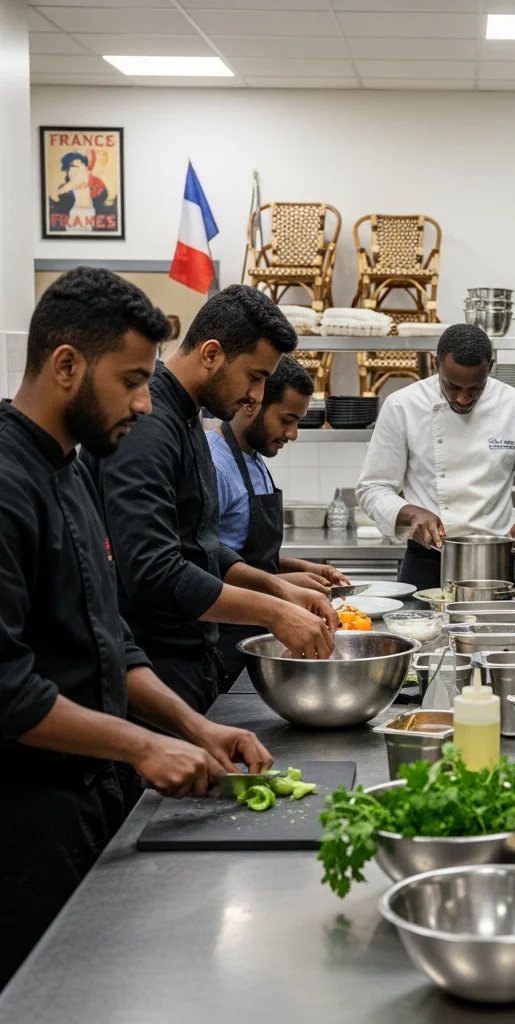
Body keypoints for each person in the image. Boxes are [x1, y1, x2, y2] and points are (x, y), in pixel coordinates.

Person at [0, 268, 272, 988]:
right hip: (24, 817)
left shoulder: (72, 470)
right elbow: (8, 690)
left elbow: (108, 638)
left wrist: (192, 726)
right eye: (129, 380)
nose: (145, 402)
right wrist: (142, 744)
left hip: (88, 796)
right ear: (66, 366)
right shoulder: (6, 484)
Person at [86, 286, 338, 715]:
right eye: (255, 376)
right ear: (211, 354)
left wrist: (275, 587)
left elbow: (200, 542)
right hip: (151, 670)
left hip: (188, 661)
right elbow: (155, 570)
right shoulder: (148, 427)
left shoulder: (190, 419)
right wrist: (274, 613)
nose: (257, 396)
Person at [356, 324, 515, 590]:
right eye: (452, 386)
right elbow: (373, 487)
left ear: (491, 367)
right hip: (427, 558)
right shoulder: (402, 406)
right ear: (435, 364)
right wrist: (413, 514)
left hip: (496, 559)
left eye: (475, 387)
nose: (463, 398)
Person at [207, 354, 350, 687]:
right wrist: (283, 586)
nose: (294, 433)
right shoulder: (216, 463)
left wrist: (303, 569)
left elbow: (244, 552)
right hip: (227, 637)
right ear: (251, 404)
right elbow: (208, 561)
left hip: (263, 629)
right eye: (287, 419)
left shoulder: (255, 459)